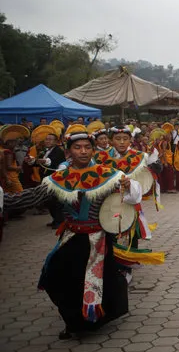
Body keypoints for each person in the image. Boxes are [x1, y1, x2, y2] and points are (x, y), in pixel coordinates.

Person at [3, 131, 142, 339]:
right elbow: (31, 198)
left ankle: (90, 321)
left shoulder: (109, 175)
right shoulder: (57, 179)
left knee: (103, 281)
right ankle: (74, 320)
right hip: (71, 237)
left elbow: (133, 198)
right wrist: (4, 201)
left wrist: (129, 186)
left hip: (99, 238)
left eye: (87, 147)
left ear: (93, 150)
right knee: (57, 277)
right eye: (78, 147)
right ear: (69, 152)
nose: (83, 151)